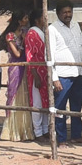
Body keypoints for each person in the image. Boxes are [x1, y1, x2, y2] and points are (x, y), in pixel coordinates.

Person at [50, 1, 82, 145]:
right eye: (65, 12)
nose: (68, 15)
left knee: (76, 106)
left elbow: (81, 48)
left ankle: (76, 135)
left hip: (78, 73)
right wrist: (55, 78)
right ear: (58, 13)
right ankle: (61, 138)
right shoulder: (53, 29)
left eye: (69, 12)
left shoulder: (75, 25)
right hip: (63, 75)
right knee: (60, 108)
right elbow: (50, 55)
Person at [0, 8, 33, 142]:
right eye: (24, 18)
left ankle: (24, 130)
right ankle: (12, 130)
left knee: (25, 95)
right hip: (16, 67)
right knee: (15, 95)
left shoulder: (25, 32)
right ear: (19, 21)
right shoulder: (10, 36)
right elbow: (17, 54)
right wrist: (23, 42)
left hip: (25, 66)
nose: (27, 20)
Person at [25, 12, 50, 140]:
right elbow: (30, 55)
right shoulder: (32, 34)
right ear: (36, 20)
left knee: (46, 101)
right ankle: (38, 131)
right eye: (42, 18)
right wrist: (35, 74)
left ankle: (46, 129)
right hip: (37, 72)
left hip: (45, 71)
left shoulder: (43, 32)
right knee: (37, 103)